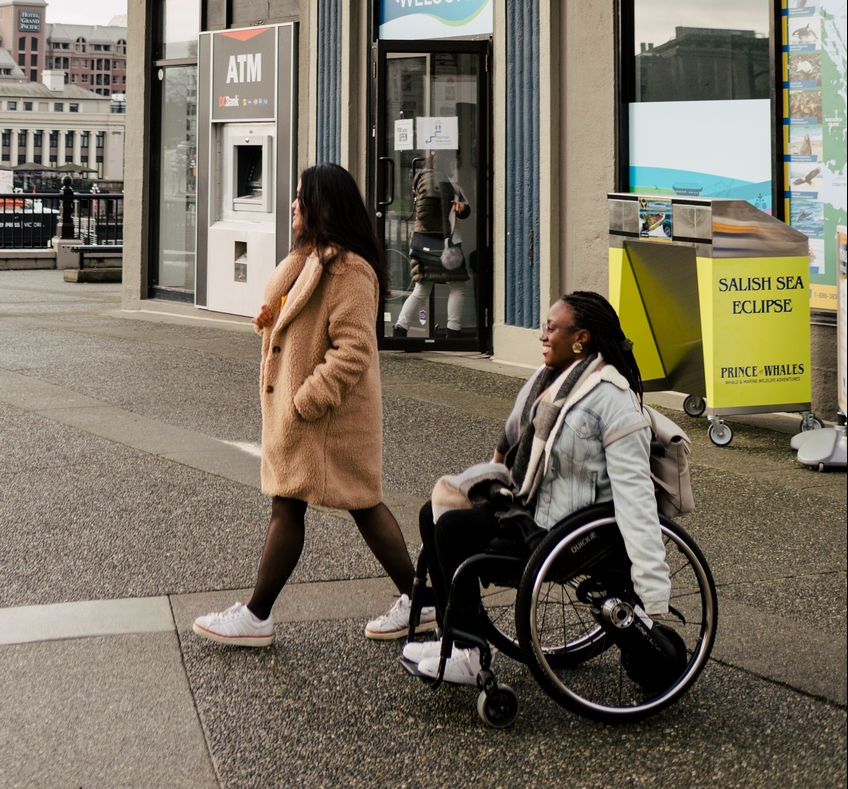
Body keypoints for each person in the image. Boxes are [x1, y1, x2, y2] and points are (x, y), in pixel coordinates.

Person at [193, 163, 435, 646]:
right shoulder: (310, 258)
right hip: (310, 416)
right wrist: (273, 315)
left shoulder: (350, 271)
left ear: (323, 206)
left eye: (302, 197)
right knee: (345, 504)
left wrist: (307, 401)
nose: (294, 205)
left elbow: (354, 350)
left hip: (325, 418)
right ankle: (421, 601)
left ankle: (257, 616)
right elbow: (304, 319)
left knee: (315, 504)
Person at [404, 290, 670, 682]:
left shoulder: (613, 400)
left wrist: (652, 590)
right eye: (542, 327)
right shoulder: (551, 381)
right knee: (434, 512)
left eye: (550, 328)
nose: (542, 336)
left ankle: (469, 652)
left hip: (568, 534)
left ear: (581, 338)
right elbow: (512, 436)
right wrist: (490, 475)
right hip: (534, 510)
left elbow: (636, 498)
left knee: (453, 530)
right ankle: (454, 634)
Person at [392, 149, 470, 338]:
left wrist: (461, 209)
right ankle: (453, 331)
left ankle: (400, 329)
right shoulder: (434, 179)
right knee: (456, 285)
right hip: (440, 243)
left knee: (422, 288)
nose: (455, 165)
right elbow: (426, 215)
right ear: (444, 159)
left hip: (429, 242)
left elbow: (460, 210)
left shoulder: (440, 178)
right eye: (453, 160)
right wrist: (445, 238)